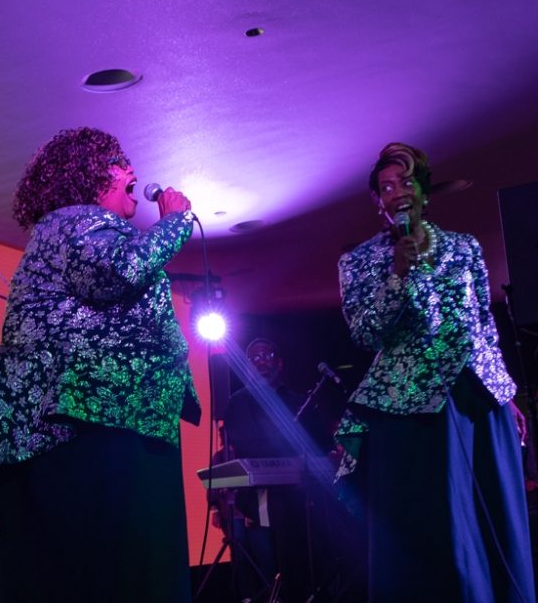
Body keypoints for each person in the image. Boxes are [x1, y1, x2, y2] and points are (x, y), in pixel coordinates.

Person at [0, 127, 201, 602]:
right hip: (72, 427)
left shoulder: (87, 227)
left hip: (110, 419)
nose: (134, 173)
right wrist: (176, 222)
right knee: (85, 568)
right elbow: (117, 270)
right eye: (119, 163)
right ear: (89, 175)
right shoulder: (72, 221)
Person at [334, 142, 534, 603]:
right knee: (439, 531)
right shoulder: (359, 261)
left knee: (496, 520)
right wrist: (397, 276)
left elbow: (482, 323)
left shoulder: (465, 246)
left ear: (423, 189)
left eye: (405, 182)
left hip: (477, 398)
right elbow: (365, 333)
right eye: (386, 187)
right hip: (412, 407)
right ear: (376, 203)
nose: (397, 192)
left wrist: (504, 392)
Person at [221, 338, 314, 603]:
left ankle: (308, 589)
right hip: (258, 492)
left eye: (268, 355)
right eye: (255, 357)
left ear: (280, 363)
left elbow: (317, 441)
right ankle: (282, 591)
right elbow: (250, 447)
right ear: (246, 367)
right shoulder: (238, 402)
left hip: (300, 490)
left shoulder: (297, 401)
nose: (262, 360)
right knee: (282, 511)